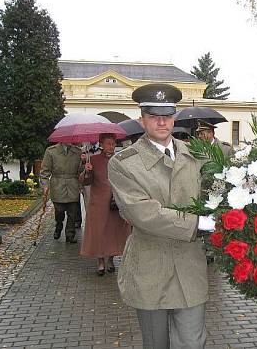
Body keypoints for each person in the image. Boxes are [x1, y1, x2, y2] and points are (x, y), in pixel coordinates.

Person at [108, 83, 215, 349]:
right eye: (154, 115)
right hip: (149, 267)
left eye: (166, 114)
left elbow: (213, 195)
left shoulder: (197, 155)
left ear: (174, 117)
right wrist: (198, 224)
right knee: (156, 343)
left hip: (189, 266)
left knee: (193, 342)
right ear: (141, 119)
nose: (161, 121)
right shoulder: (123, 163)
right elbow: (144, 213)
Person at [79, 133, 130, 276]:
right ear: (101, 144)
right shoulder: (94, 160)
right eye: (108, 144)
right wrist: (87, 171)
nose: (111, 146)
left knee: (114, 232)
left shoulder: (119, 160)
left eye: (113, 144)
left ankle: (111, 259)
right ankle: (100, 261)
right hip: (99, 204)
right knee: (99, 233)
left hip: (115, 203)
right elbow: (84, 181)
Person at [40, 142, 83, 243]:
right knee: (59, 211)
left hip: (72, 185)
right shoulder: (51, 151)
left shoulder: (77, 152)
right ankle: (58, 224)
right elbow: (44, 171)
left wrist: (85, 164)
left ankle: (70, 234)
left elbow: (80, 171)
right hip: (57, 185)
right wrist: (45, 185)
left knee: (72, 212)